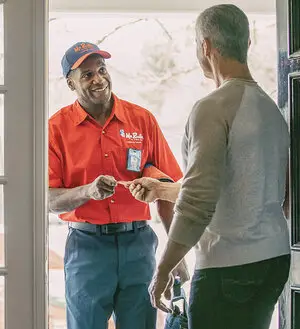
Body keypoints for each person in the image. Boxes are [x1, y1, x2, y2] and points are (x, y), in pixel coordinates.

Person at [128, 5, 291, 329]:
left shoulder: (212, 109)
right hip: (273, 261)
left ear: (205, 46)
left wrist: (164, 268)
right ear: (246, 44)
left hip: (229, 267)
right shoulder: (272, 109)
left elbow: (200, 200)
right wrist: (161, 189)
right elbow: (251, 187)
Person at [48, 41, 189, 329]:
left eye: (101, 69)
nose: (98, 79)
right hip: (86, 248)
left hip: (138, 246)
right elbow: (48, 200)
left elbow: (169, 191)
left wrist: (177, 254)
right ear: (70, 84)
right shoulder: (55, 129)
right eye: (86, 75)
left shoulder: (142, 120)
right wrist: (88, 191)